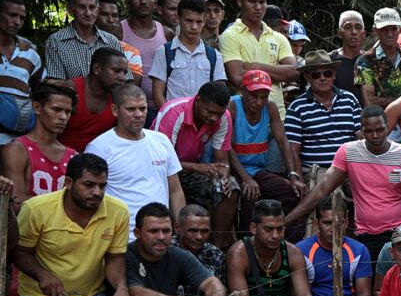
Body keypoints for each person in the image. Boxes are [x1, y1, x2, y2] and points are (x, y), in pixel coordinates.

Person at [14, 153, 148, 296]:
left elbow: (115, 257)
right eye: (89, 185)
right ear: (68, 183)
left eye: (102, 185)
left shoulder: (118, 211)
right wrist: (42, 274)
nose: (97, 192)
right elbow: (19, 253)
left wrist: (121, 287)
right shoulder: (36, 209)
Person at [287, 107, 401, 260]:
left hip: (399, 232)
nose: (375, 136)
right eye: (369, 131)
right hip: (364, 234)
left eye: (380, 130)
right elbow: (321, 190)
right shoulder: (348, 152)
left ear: (388, 128)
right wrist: (287, 221)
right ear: (362, 131)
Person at [85, 84, 184, 238]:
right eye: (131, 109)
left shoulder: (162, 141)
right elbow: (90, 196)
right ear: (115, 110)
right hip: (120, 237)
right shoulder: (99, 148)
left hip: (162, 237)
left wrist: (180, 230)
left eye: (143, 109)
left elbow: (175, 190)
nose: (139, 114)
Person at [225, 199, 323, 296]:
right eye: (269, 229)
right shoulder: (239, 253)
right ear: (253, 228)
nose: (276, 235)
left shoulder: (293, 252)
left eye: (280, 229)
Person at [151, 82, 238, 238]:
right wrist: (198, 167)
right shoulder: (174, 113)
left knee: (230, 187)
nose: (214, 118)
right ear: (198, 101)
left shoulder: (224, 117)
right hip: (159, 171)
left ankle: (216, 250)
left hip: (189, 170)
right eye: (210, 112)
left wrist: (223, 176)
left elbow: (222, 161)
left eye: (219, 113)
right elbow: (159, 163)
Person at [229, 69, 305, 222]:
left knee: (292, 194)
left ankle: (284, 240)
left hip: (257, 171)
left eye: (264, 97)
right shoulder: (232, 107)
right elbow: (226, 147)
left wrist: (292, 175)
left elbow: (283, 142)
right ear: (243, 91)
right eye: (253, 96)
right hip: (234, 170)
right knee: (249, 195)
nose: (258, 102)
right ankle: (246, 241)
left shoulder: (270, 107)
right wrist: (245, 177)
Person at [219, 0, 298, 119]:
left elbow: (293, 72)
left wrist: (254, 66)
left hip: (278, 117)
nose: (258, 7)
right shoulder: (229, 36)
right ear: (239, 1)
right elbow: (237, 77)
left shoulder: (278, 37)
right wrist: (277, 72)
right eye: (252, 1)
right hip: (244, 117)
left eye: (262, 2)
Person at [295, 199, 373, 296]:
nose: (333, 229)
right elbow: (297, 293)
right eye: (327, 223)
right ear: (316, 223)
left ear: (346, 223)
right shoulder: (301, 250)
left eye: (339, 223)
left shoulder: (359, 250)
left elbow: (365, 294)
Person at [285, 49, 362, 175]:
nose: (322, 78)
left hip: (349, 168)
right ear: (307, 77)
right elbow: (293, 150)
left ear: (334, 75)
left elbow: (362, 137)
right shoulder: (297, 107)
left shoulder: (350, 99)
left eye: (327, 73)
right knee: (330, 193)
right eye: (316, 75)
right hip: (316, 171)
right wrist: (298, 179)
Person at [4, 83, 76, 206]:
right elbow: (16, 202)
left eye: (68, 111)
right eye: (56, 109)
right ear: (37, 107)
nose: (63, 117)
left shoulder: (73, 156)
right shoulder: (18, 150)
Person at [149, 0, 226, 108]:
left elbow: (220, 92)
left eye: (199, 22)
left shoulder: (214, 55)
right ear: (178, 19)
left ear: (204, 20)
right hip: (173, 121)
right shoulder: (164, 52)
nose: (194, 27)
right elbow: (158, 95)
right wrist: (171, 117)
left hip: (204, 122)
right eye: (189, 21)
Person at [44, 0, 121, 83]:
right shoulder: (56, 42)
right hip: (72, 97)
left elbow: (123, 80)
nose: (88, 13)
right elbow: (56, 85)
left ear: (98, 10)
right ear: (70, 10)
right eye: (82, 7)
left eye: (92, 7)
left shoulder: (111, 41)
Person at [62, 46, 128, 152]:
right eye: (116, 71)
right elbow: (45, 134)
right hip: (63, 161)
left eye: (124, 72)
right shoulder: (70, 90)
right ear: (97, 69)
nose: (122, 77)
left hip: (101, 160)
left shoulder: (118, 97)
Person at [0, 0, 41, 138]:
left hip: (18, 139)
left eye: (21, 18)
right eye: (12, 15)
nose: (17, 21)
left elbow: (40, 89)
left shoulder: (30, 53)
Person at [356, 8, 401, 109]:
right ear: (375, 30)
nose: (389, 34)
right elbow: (369, 102)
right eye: (384, 29)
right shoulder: (366, 60)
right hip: (381, 120)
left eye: (393, 29)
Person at [175, 203, 224, 287]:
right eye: (193, 230)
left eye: (204, 231)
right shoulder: (165, 251)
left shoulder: (215, 254)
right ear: (177, 228)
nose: (199, 237)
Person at [330, 10, 367, 93]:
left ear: (364, 34)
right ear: (339, 33)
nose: (353, 32)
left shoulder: (370, 60)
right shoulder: (330, 60)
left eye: (358, 27)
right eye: (348, 27)